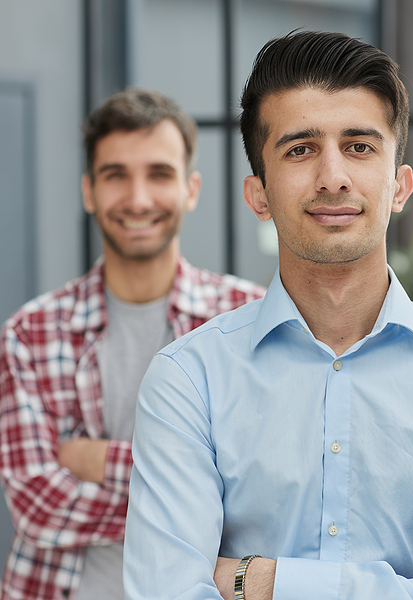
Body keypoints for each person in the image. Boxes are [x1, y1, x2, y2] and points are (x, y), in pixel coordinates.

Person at [122, 30, 413, 600]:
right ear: (259, 194)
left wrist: (266, 581)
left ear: (400, 185)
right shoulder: (187, 379)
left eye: (360, 146)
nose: (333, 177)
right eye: (299, 149)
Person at [0, 88, 266, 600]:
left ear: (191, 189)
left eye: (159, 174)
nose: (138, 198)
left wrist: (96, 460)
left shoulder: (248, 319)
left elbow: (262, 493)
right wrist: (191, 488)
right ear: (88, 191)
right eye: (116, 175)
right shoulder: (29, 334)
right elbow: (38, 506)